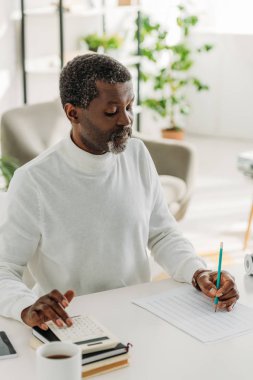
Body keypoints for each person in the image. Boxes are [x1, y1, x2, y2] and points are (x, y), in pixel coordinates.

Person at [0, 54, 239, 331]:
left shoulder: (136, 154)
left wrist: (198, 272)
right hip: (74, 325)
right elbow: (4, 268)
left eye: (130, 106)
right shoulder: (34, 180)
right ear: (73, 113)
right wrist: (26, 307)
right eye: (112, 111)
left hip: (139, 314)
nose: (126, 120)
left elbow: (161, 233)